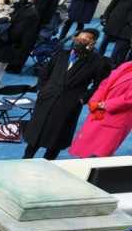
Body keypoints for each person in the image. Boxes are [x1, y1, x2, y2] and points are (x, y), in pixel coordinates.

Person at [24, 28, 112, 160]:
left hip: (70, 102)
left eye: (84, 41)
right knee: (36, 133)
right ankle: (26, 159)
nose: (79, 43)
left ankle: (49, 163)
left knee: (57, 137)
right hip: (47, 98)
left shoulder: (99, 62)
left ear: (93, 42)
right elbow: (45, 72)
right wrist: (41, 90)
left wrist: (82, 99)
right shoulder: (61, 55)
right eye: (77, 40)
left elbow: (100, 85)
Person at [69, 61, 132, 158]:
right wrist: (94, 101)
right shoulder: (126, 64)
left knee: (97, 157)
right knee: (84, 152)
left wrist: (102, 105)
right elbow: (105, 83)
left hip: (115, 116)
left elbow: (128, 99)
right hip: (98, 112)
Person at [0, 0, 39, 83]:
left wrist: (0, 31)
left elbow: (16, 33)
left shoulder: (32, 14)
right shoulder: (17, 6)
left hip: (7, 47)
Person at [98, 0, 132, 67]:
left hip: (129, 24)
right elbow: (113, 2)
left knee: (121, 45)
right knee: (105, 41)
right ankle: (98, 58)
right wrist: (105, 15)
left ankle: (112, 62)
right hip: (116, 18)